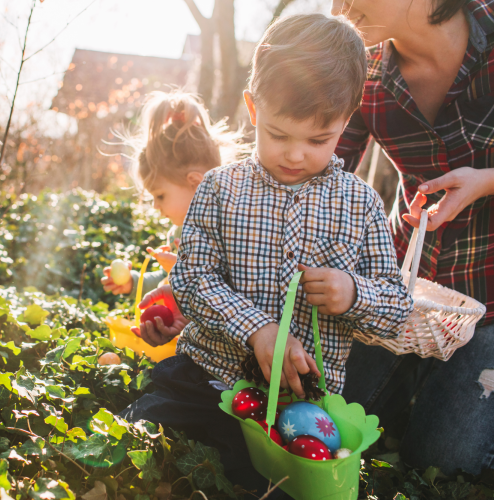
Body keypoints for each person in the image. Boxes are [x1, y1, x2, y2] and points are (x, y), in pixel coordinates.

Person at [121, 14, 414, 494]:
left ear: (348, 118)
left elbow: (396, 310)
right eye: (279, 134)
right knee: (143, 442)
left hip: (299, 412)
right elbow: (192, 278)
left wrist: (352, 293)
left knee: (266, 483)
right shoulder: (219, 188)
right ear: (253, 109)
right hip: (205, 378)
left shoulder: (360, 204)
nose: (295, 154)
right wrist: (258, 329)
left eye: (318, 140)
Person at [333, 0, 494, 476]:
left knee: (444, 461)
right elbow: (316, 171)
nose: (338, 7)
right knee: (332, 421)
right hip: (407, 292)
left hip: (490, 301)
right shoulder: (363, 70)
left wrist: (487, 181)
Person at [99, 91, 245, 307]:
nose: (156, 206)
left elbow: (240, 290)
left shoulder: (235, 227)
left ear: (196, 183)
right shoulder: (178, 233)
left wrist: (183, 272)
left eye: (160, 195)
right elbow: (164, 282)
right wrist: (133, 283)